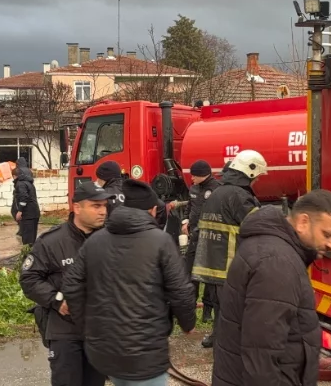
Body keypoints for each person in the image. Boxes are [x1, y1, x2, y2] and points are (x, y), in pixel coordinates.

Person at [62, 179, 196, 386]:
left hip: (105, 351)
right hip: (145, 353)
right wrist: (188, 323)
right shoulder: (160, 241)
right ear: (152, 210)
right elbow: (180, 290)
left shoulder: (95, 241)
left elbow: (72, 285)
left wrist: (87, 326)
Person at [212, 189, 331, 386]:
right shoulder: (277, 263)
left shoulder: (272, 249)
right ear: (303, 222)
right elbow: (261, 356)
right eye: (327, 234)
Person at [19, 182, 113, 386]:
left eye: (105, 206)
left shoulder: (111, 239)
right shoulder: (52, 242)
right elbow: (29, 278)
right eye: (96, 206)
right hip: (65, 331)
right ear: (77, 208)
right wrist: (57, 300)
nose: (103, 211)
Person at [192, 149, 266, 348]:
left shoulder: (218, 193)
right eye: (257, 177)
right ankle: (231, 343)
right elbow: (259, 228)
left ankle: (217, 337)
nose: (257, 181)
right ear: (249, 173)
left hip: (212, 264)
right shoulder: (239, 197)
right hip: (231, 265)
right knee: (234, 310)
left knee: (220, 306)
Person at [182, 159, 221, 322]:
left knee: (209, 278)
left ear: (202, 175)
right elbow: (190, 207)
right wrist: (185, 220)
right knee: (190, 273)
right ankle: (189, 310)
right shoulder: (194, 188)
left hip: (209, 238)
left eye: (194, 176)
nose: (191, 179)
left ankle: (207, 312)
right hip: (194, 237)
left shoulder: (217, 189)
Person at [12, 157, 41, 247]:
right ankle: (32, 256)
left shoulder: (20, 184)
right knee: (32, 239)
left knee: (27, 242)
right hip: (34, 213)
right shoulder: (29, 182)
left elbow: (24, 197)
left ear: (14, 176)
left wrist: (20, 211)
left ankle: (27, 257)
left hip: (28, 215)